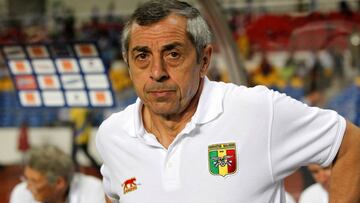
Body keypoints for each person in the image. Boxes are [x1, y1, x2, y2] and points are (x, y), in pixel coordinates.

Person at [95, 0, 360, 202]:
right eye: (142, 56)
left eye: (173, 54)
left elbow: (351, 144)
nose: (157, 72)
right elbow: (113, 192)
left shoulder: (256, 110)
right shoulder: (113, 134)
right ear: (128, 63)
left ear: (204, 60)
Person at [10, 145, 106, 203]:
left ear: (59, 182)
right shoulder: (21, 192)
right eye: (26, 178)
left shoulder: (93, 190)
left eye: (34, 181)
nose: (27, 186)